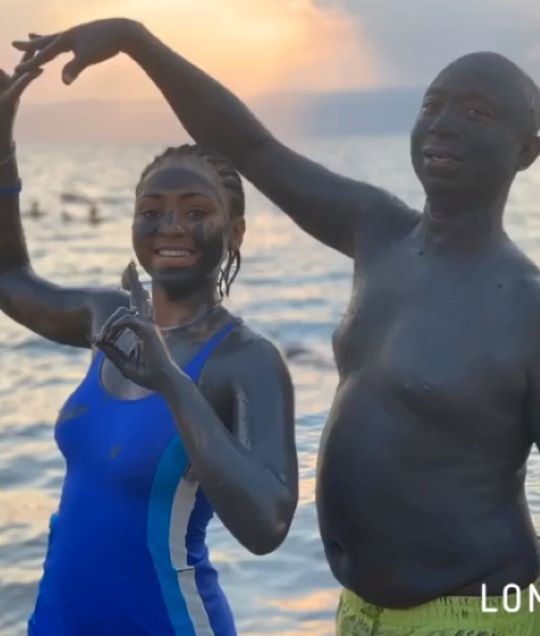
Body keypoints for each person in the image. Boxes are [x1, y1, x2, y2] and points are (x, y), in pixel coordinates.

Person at [13, 18, 540, 635]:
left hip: (479, 614)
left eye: (477, 112)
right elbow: (251, 148)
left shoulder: (526, 308)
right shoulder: (378, 231)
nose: (444, 123)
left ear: (526, 150)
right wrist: (136, 41)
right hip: (360, 613)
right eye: (432, 105)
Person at [0, 66, 298, 636]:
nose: (171, 226)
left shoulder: (244, 359)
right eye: (152, 210)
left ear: (235, 232)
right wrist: (1, 145)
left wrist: (172, 383)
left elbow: (268, 526)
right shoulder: (108, 320)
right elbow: (9, 278)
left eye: (196, 211)